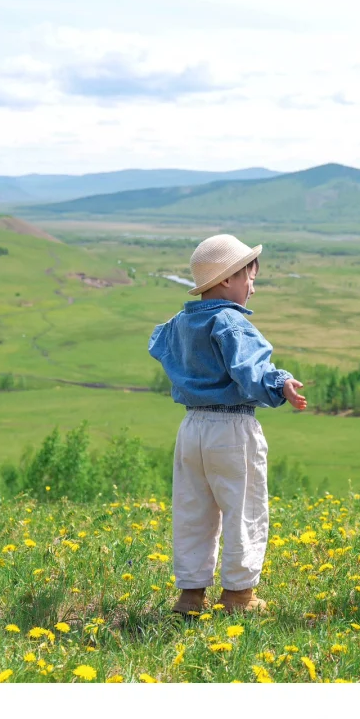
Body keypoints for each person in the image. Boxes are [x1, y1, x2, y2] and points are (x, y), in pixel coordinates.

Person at [149, 233, 306, 615]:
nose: (252, 287)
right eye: (249, 278)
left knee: (193, 510)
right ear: (227, 280)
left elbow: (159, 344)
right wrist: (279, 384)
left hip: (191, 428)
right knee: (244, 507)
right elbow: (250, 370)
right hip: (232, 428)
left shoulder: (181, 322)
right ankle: (238, 595)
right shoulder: (231, 322)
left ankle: (190, 595)